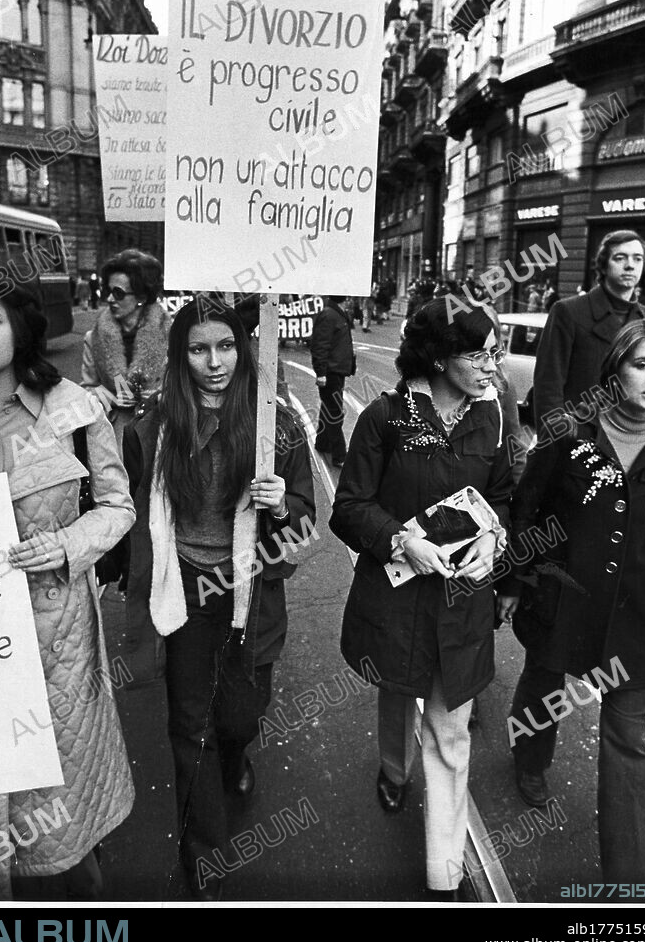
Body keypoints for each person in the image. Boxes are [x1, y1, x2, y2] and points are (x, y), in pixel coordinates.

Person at [122, 296, 315, 902]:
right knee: (188, 722)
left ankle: (234, 753)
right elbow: (128, 507)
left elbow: (306, 530)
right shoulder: (155, 424)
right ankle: (202, 857)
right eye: (199, 348)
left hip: (249, 593)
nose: (214, 362)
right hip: (182, 589)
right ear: (182, 355)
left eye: (226, 346)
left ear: (244, 348)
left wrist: (282, 503)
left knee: (239, 714)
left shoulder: (275, 425)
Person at [329, 299, 515, 899]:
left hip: (462, 604)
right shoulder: (384, 418)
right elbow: (349, 507)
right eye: (478, 354)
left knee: (450, 733)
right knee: (395, 688)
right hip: (396, 599)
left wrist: (498, 540)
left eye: (497, 352)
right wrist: (402, 540)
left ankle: (445, 876)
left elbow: (506, 496)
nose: (493, 366)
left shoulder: (493, 417)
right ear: (437, 357)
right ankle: (392, 769)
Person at [0, 264, 135, 901]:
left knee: (61, 837)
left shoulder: (73, 407)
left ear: (23, 329)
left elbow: (117, 506)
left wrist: (65, 546)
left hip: (57, 652)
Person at [497, 318, 645, 884]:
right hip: (561, 596)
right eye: (644, 364)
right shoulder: (570, 434)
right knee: (545, 683)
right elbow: (527, 506)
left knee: (627, 741)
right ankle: (530, 760)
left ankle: (631, 883)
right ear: (615, 370)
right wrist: (516, 583)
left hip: (632, 615)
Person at [533, 230, 645, 432]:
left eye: (637, 259)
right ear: (603, 265)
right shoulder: (568, 312)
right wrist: (554, 440)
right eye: (620, 258)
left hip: (632, 437)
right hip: (581, 435)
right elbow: (548, 386)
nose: (630, 265)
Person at [81, 249, 170, 449]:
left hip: (160, 437)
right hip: (113, 439)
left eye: (118, 293)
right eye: (108, 292)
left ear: (141, 295)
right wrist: (109, 398)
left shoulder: (171, 335)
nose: (110, 300)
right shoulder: (93, 339)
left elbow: (186, 387)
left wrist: (158, 396)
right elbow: (87, 389)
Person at [310, 294, 356, 467]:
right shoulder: (329, 315)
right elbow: (320, 344)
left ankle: (322, 443)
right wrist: (320, 372)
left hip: (337, 370)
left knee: (328, 408)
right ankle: (339, 455)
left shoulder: (336, 313)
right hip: (331, 371)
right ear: (346, 298)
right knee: (335, 412)